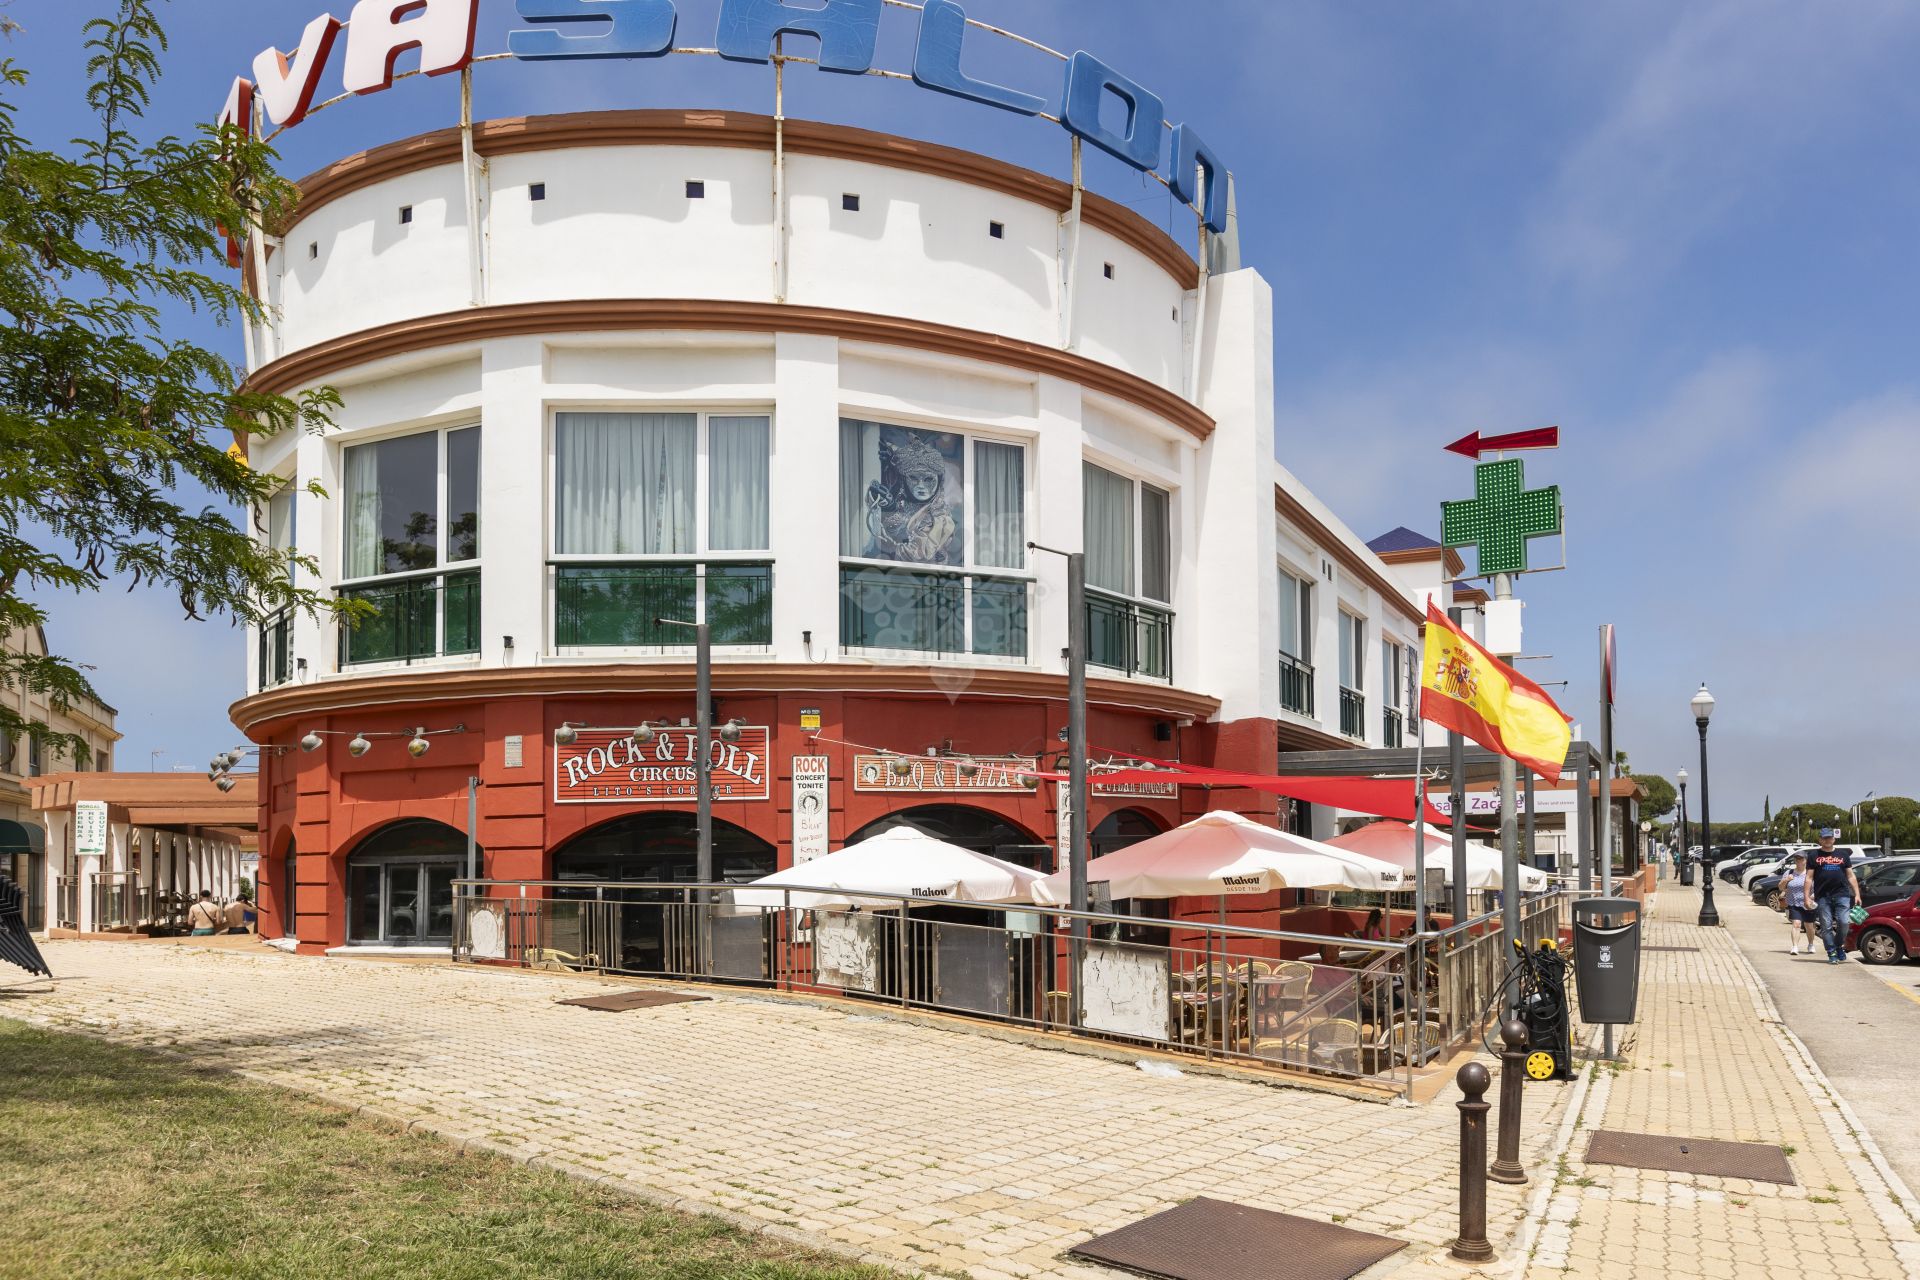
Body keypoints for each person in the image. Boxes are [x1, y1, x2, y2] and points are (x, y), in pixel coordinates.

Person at [1808, 828, 1864, 964]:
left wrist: (1857, 894)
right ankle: (1831, 951)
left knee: (1844, 923)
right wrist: (1806, 897)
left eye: (1830, 838)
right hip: (1822, 896)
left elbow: (1850, 875)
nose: (1827, 840)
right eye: (1824, 838)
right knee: (1826, 926)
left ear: (1834, 839)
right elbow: (1809, 878)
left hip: (1842, 894)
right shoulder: (1813, 855)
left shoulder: (1843, 855)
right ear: (1820, 840)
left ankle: (1838, 945)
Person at [1780, 853, 1819, 955]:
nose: (1798, 861)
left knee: (1809, 925)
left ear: (1806, 860)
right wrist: (1786, 880)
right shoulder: (1789, 872)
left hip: (1808, 903)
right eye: (1796, 859)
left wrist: (1812, 897)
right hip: (1794, 903)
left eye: (1801, 859)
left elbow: (1818, 888)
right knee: (1796, 924)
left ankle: (1811, 944)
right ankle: (1795, 947)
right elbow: (1781, 887)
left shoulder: (1811, 873)